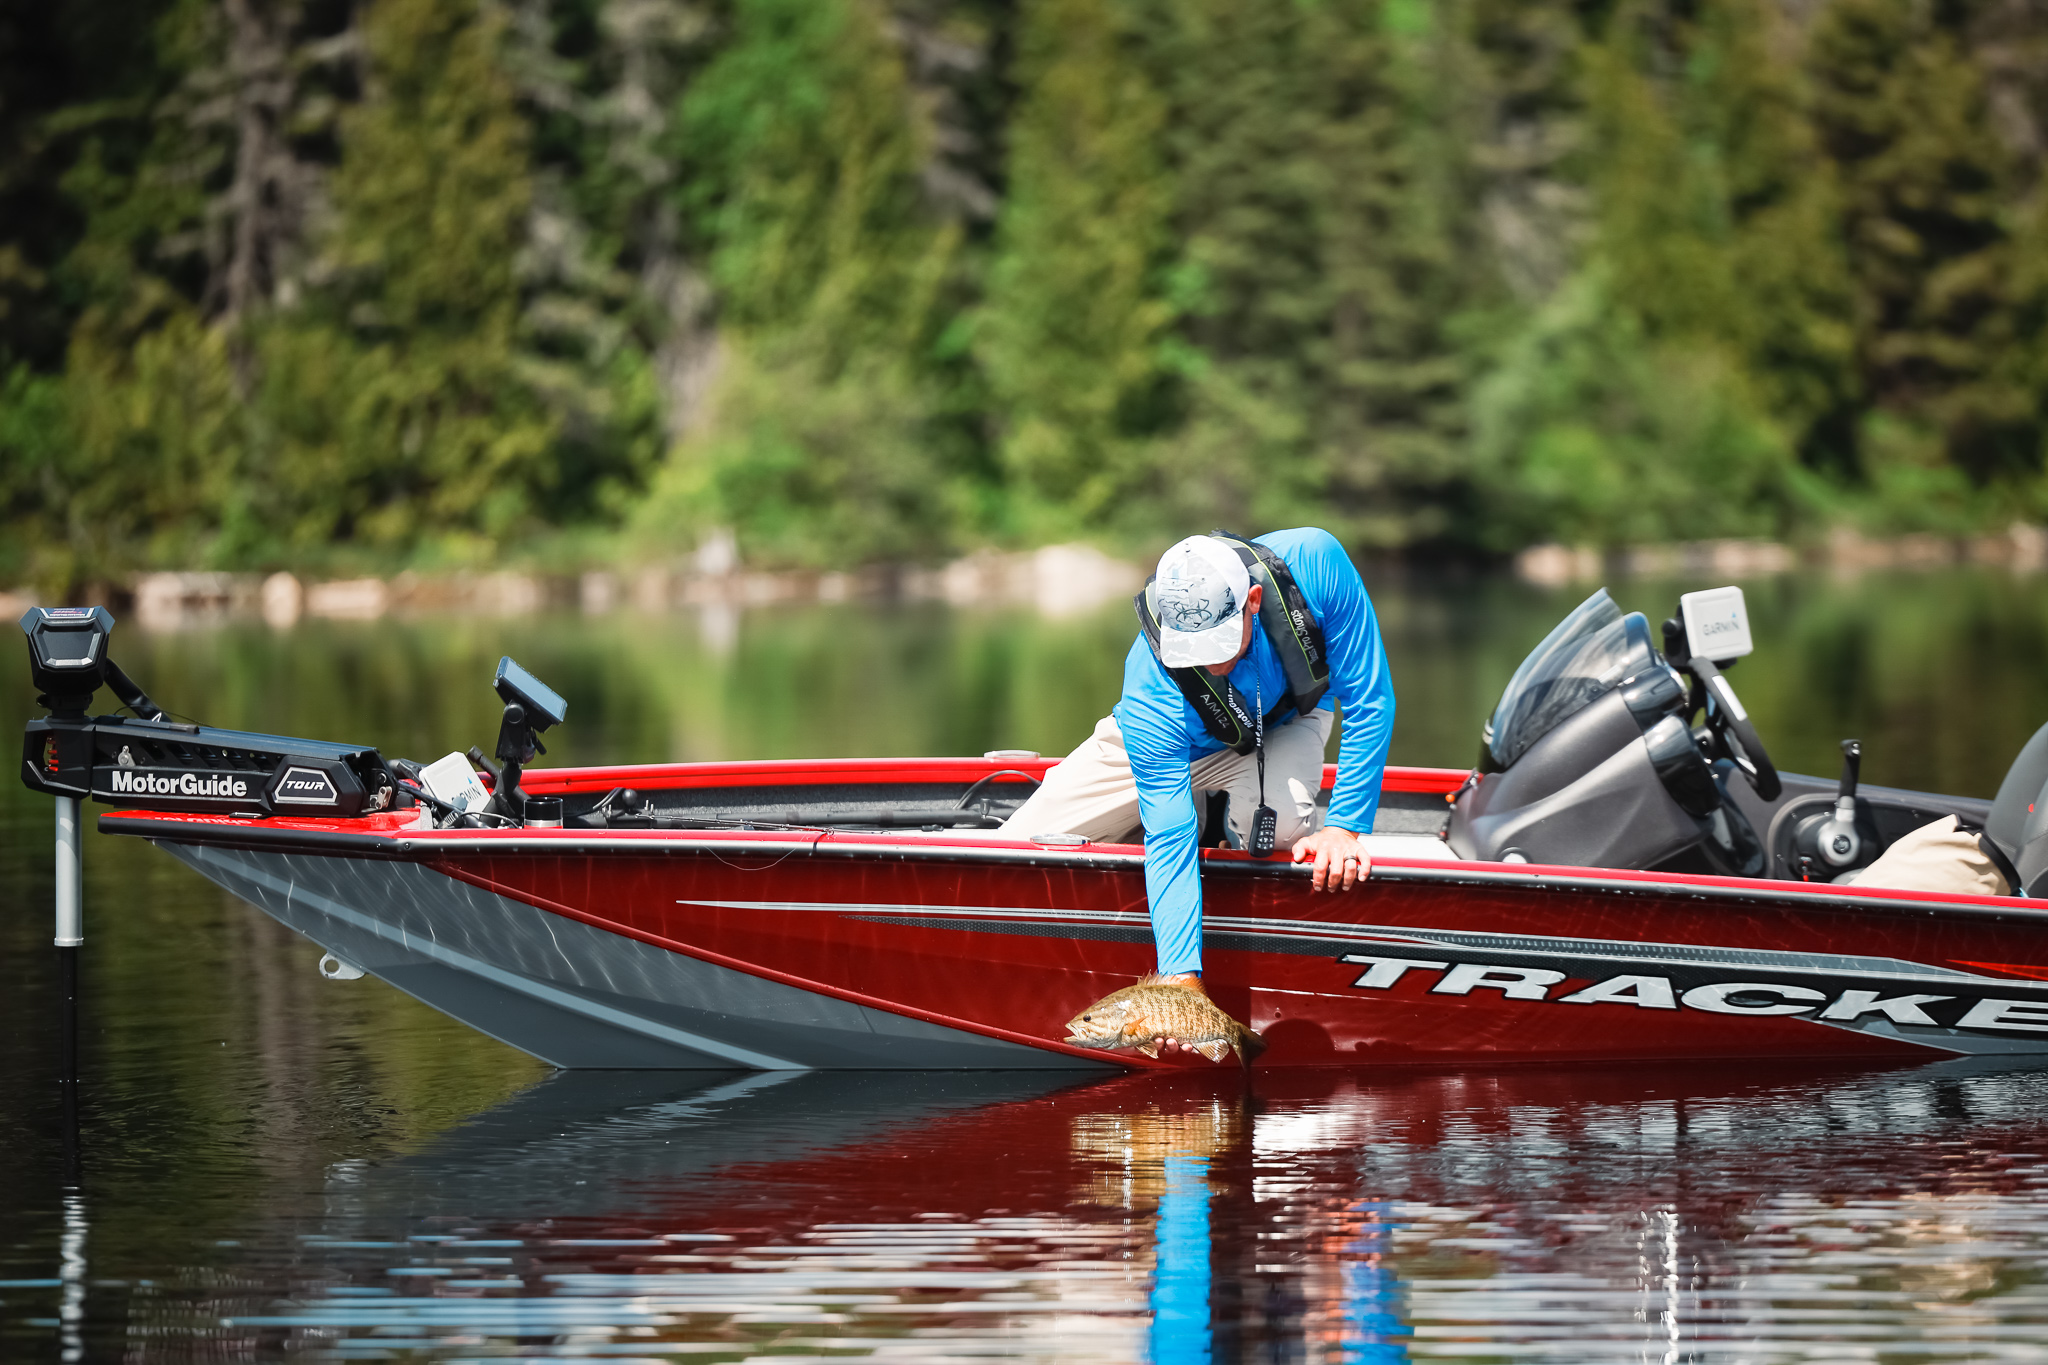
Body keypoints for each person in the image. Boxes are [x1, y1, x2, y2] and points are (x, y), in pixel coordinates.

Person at [999, 528, 1395, 996]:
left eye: (1220, 644)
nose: (1211, 664)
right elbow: (1169, 835)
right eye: (1194, 649)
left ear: (1252, 599)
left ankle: (1219, 817)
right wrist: (1180, 975)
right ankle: (1198, 810)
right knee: (1012, 857)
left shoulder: (1316, 562)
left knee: (1286, 834)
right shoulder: (1151, 687)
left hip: (1283, 723)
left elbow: (1369, 700)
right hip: (1173, 741)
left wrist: (1344, 827)